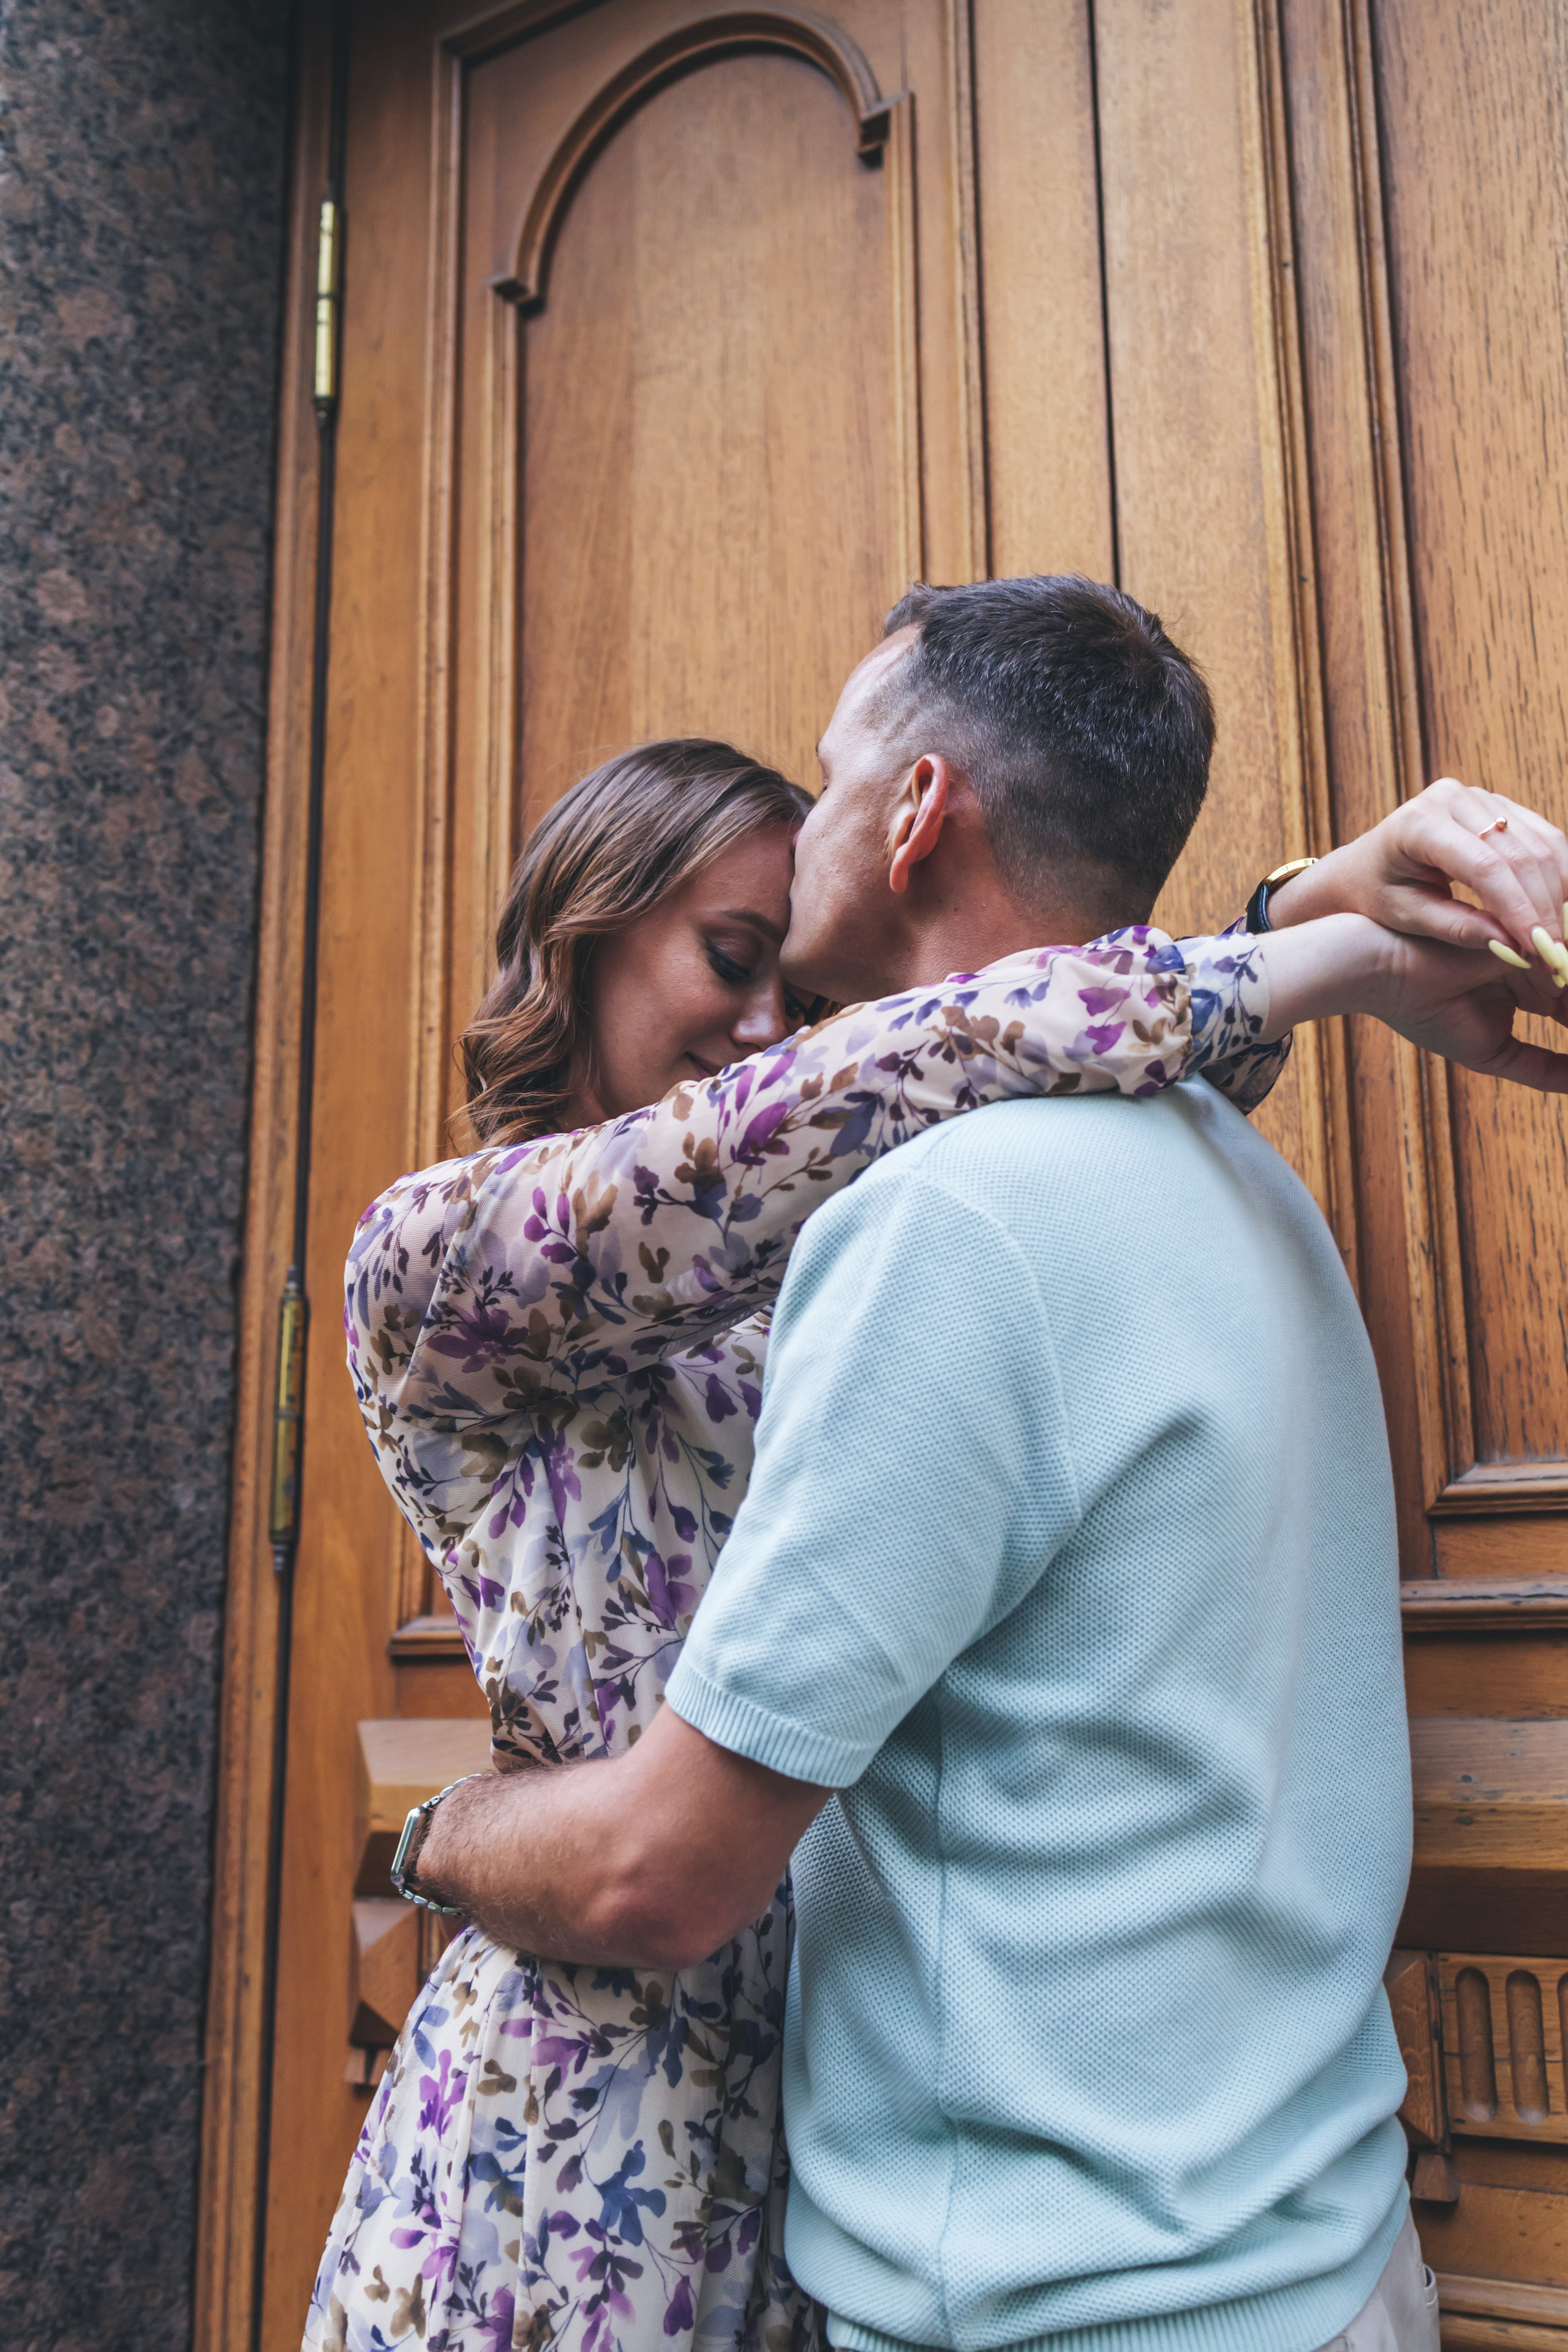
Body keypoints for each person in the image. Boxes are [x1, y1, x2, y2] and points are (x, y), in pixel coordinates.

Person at [312, 578, 1568, 2352]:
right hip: (596, 2146)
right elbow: (893, 1090)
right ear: (581, 939)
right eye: (724, 961)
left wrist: (1291, 931)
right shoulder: (444, 1257)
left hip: (939, 2210)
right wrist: (1309, 946)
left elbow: (972, 1117)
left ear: (911, 818)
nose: (766, 1031)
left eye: (782, 962)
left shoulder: (942, 1226)